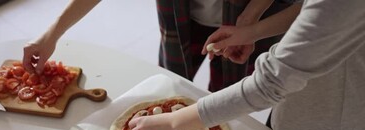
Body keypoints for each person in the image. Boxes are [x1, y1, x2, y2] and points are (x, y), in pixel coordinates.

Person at [128, 0, 365, 130]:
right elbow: (306, 8)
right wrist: (251, 31)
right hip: (297, 105)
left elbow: (270, 84)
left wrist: (174, 123)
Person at [22, 0, 294, 92]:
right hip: (181, 19)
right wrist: (52, 33)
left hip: (247, 17)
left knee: (230, 91)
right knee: (172, 81)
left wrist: (250, 21)